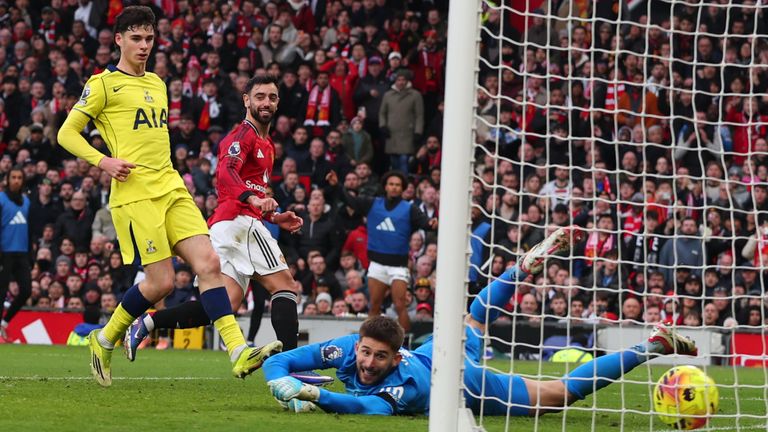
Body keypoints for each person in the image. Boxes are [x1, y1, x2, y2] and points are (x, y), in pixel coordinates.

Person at [56, 6, 280, 387]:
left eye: (149, 39)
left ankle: (238, 351)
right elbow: (66, 133)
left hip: (172, 187)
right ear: (120, 40)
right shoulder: (103, 84)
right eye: (137, 39)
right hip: (135, 194)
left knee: (209, 263)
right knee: (161, 283)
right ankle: (105, 337)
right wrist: (103, 161)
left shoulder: (158, 83)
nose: (145, 46)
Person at [262, 226, 698, 415]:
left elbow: (359, 406)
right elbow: (281, 360)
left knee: (557, 394)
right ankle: (522, 268)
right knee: (472, 320)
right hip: (433, 350)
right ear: (357, 345)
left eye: (378, 358)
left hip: (459, 381)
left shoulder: (400, 388)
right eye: (366, 353)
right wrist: (278, 378)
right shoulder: (346, 350)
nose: (367, 363)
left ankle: (652, 346)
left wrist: (310, 394)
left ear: (394, 360)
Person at [124, 74, 304, 358]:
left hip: (230, 223)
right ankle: (294, 369)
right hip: (239, 223)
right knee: (285, 286)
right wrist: (254, 199)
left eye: (272, 97)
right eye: (259, 96)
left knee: (225, 303)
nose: (266, 102)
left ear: (278, 102)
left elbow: (246, 188)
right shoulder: (242, 136)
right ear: (246, 100)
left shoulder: (266, 145)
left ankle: (149, 322)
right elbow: (226, 172)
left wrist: (275, 217)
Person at [326, 169, 437, 332]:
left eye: (398, 185)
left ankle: (405, 344)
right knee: (374, 306)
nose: (394, 187)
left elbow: (426, 223)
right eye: (391, 184)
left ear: (403, 188)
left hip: (398, 267)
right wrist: (337, 186)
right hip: (377, 265)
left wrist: (432, 224)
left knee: (400, 305)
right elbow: (351, 200)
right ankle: (368, 342)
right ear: (385, 186)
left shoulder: (410, 208)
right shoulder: (372, 203)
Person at [0, 167, 32, 342]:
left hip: (22, 253)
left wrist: (31, 255)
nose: (16, 180)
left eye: (20, 177)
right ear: (7, 179)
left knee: (26, 290)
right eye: (13, 177)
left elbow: (30, 229)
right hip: (4, 252)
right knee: (1, 292)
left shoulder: (26, 201)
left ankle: (4, 323)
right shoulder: (1, 199)